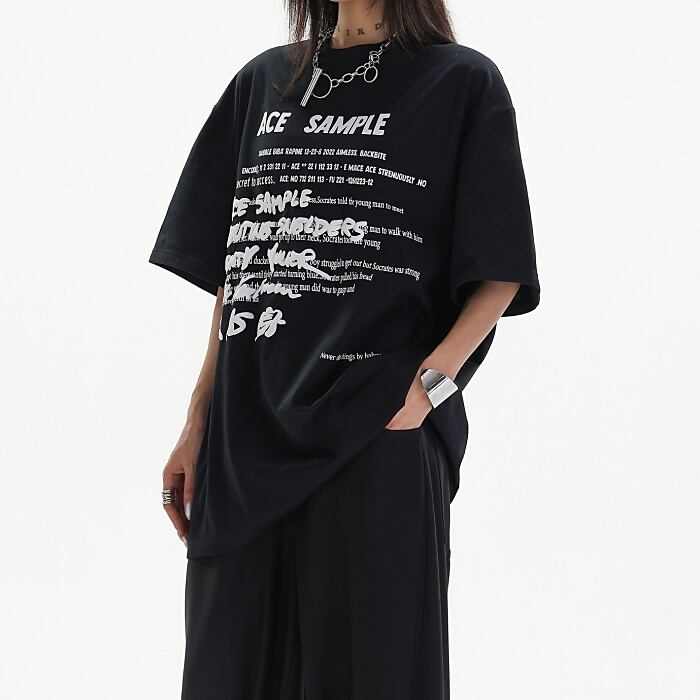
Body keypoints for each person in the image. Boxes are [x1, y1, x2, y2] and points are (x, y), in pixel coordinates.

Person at [149, 0, 540, 697]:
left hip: (375, 430)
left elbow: (501, 269)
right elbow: (241, 268)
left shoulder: (460, 82)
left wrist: (429, 389)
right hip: (244, 438)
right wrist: (197, 419)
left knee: (371, 678)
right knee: (226, 673)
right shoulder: (261, 83)